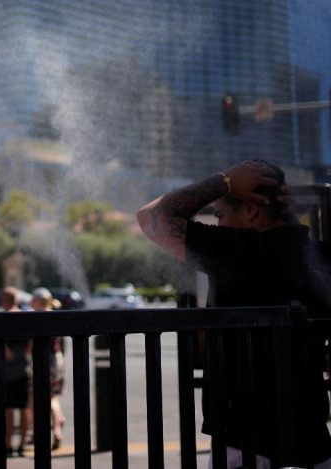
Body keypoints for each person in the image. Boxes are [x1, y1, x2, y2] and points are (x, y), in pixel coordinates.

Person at [137, 159, 331, 468]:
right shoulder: (318, 257)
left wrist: (224, 182)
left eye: (220, 214)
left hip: (247, 445)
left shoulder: (238, 253)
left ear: (252, 209)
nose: (219, 225)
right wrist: (285, 215)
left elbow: (151, 217)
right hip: (314, 443)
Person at [30, 288, 66, 451]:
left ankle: (54, 429)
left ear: (38, 301)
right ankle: (58, 422)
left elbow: (31, 343)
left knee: (42, 396)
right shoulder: (55, 314)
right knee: (53, 396)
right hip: (57, 358)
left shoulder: (37, 316)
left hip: (44, 359)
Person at [0, 287, 32, 457]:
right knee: (24, 408)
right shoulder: (24, 316)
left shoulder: (4, 317)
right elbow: (29, 346)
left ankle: (8, 444)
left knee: (9, 409)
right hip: (23, 369)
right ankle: (22, 445)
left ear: (5, 301)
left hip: (8, 371)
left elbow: (5, 348)